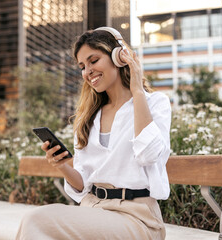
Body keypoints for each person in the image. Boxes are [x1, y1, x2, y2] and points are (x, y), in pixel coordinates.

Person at [16, 27, 171, 240]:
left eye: (93, 60)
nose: (87, 71)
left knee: (37, 221)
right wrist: (62, 164)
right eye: (82, 66)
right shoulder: (88, 117)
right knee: (37, 223)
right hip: (93, 209)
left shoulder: (154, 104)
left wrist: (137, 90)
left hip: (137, 218)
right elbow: (82, 184)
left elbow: (149, 155)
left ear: (119, 57)